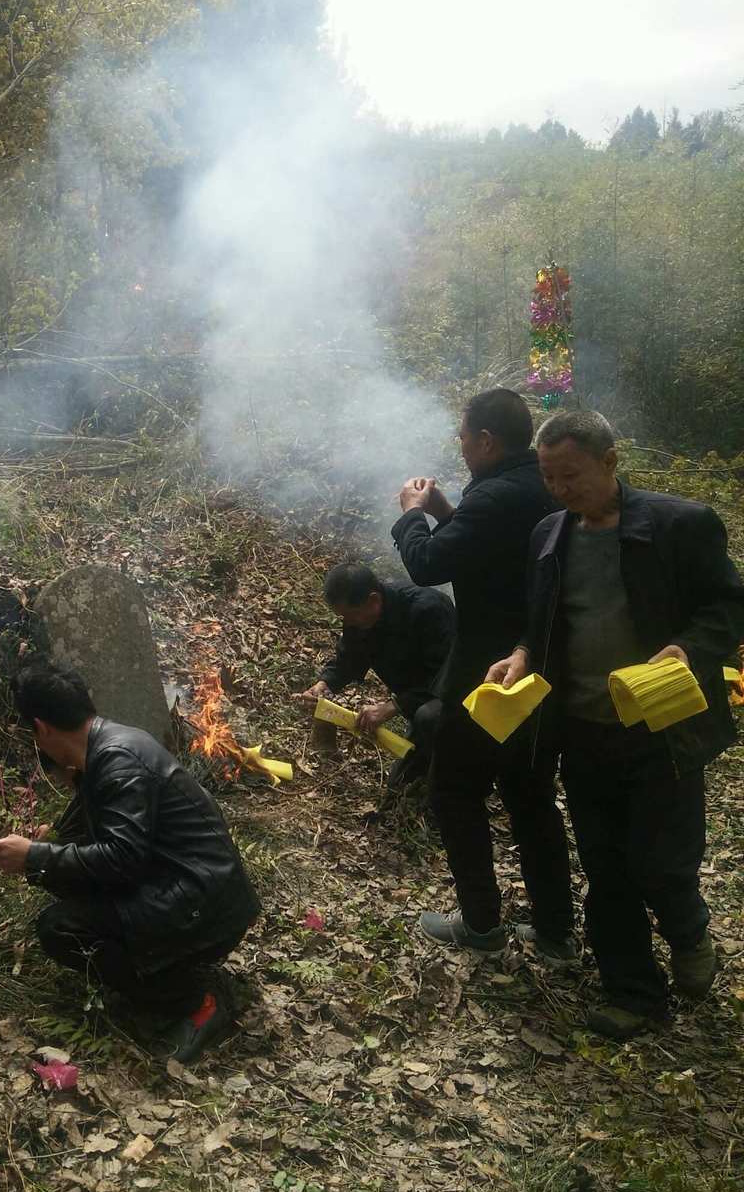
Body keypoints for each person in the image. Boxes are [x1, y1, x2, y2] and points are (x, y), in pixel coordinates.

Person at [486, 409, 744, 1039]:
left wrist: (692, 648)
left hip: (662, 728)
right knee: (606, 867)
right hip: (583, 728)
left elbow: (727, 606)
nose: (559, 488)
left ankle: (687, 928)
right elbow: (541, 618)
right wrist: (522, 654)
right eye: (549, 476)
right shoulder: (548, 534)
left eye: (570, 474)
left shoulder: (679, 524)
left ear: (609, 461)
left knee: (662, 862)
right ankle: (633, 994)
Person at [0, 659, 261, 1064]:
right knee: (73, 898)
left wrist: (35, 857)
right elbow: (114, 837)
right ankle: (160, 975)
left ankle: (196, 1000)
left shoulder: (118, 760)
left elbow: (121, 858)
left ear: (40, 728)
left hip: (206, 905)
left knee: (61, 929)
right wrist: (51, 845)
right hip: (195, 891)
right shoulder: (109, 746)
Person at [391, 387, 576, 961]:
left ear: (487, 442)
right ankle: (555, 933)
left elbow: (428, 565)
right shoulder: (542, 488)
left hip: (484, 679)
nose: (462, 445)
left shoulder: (493, 498)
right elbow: (488, 548)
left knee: (454, 793)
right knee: (531, 798)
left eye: (465, 437)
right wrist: (449, 510)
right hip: (542, 671)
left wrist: (413, 517)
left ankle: (480, 925)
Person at [299, 563, 454, 787]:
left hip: (454, 705)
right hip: (417, 708)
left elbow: (446, 678)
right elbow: (349, 659)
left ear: (373, 599)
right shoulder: (358, 617)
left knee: (429, 720)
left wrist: (393, 706)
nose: (348, 623)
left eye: (350, 616)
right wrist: (325, 683)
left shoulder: (427, 609)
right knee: (398, 785)